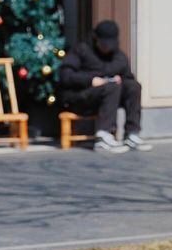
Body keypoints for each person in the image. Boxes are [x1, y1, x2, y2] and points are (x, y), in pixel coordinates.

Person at [59, 20, 151, 153]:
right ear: (96, 39)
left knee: (133, 86)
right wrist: (91, 80)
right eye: (104, 44)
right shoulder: (82, 50)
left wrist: (120, 80)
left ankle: (132, 134)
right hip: (81, 96)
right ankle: (103, 137)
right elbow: (65, 75)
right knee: (111, 87)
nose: (107, 48)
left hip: (109, 98)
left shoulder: (119, 56)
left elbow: (127, 78)